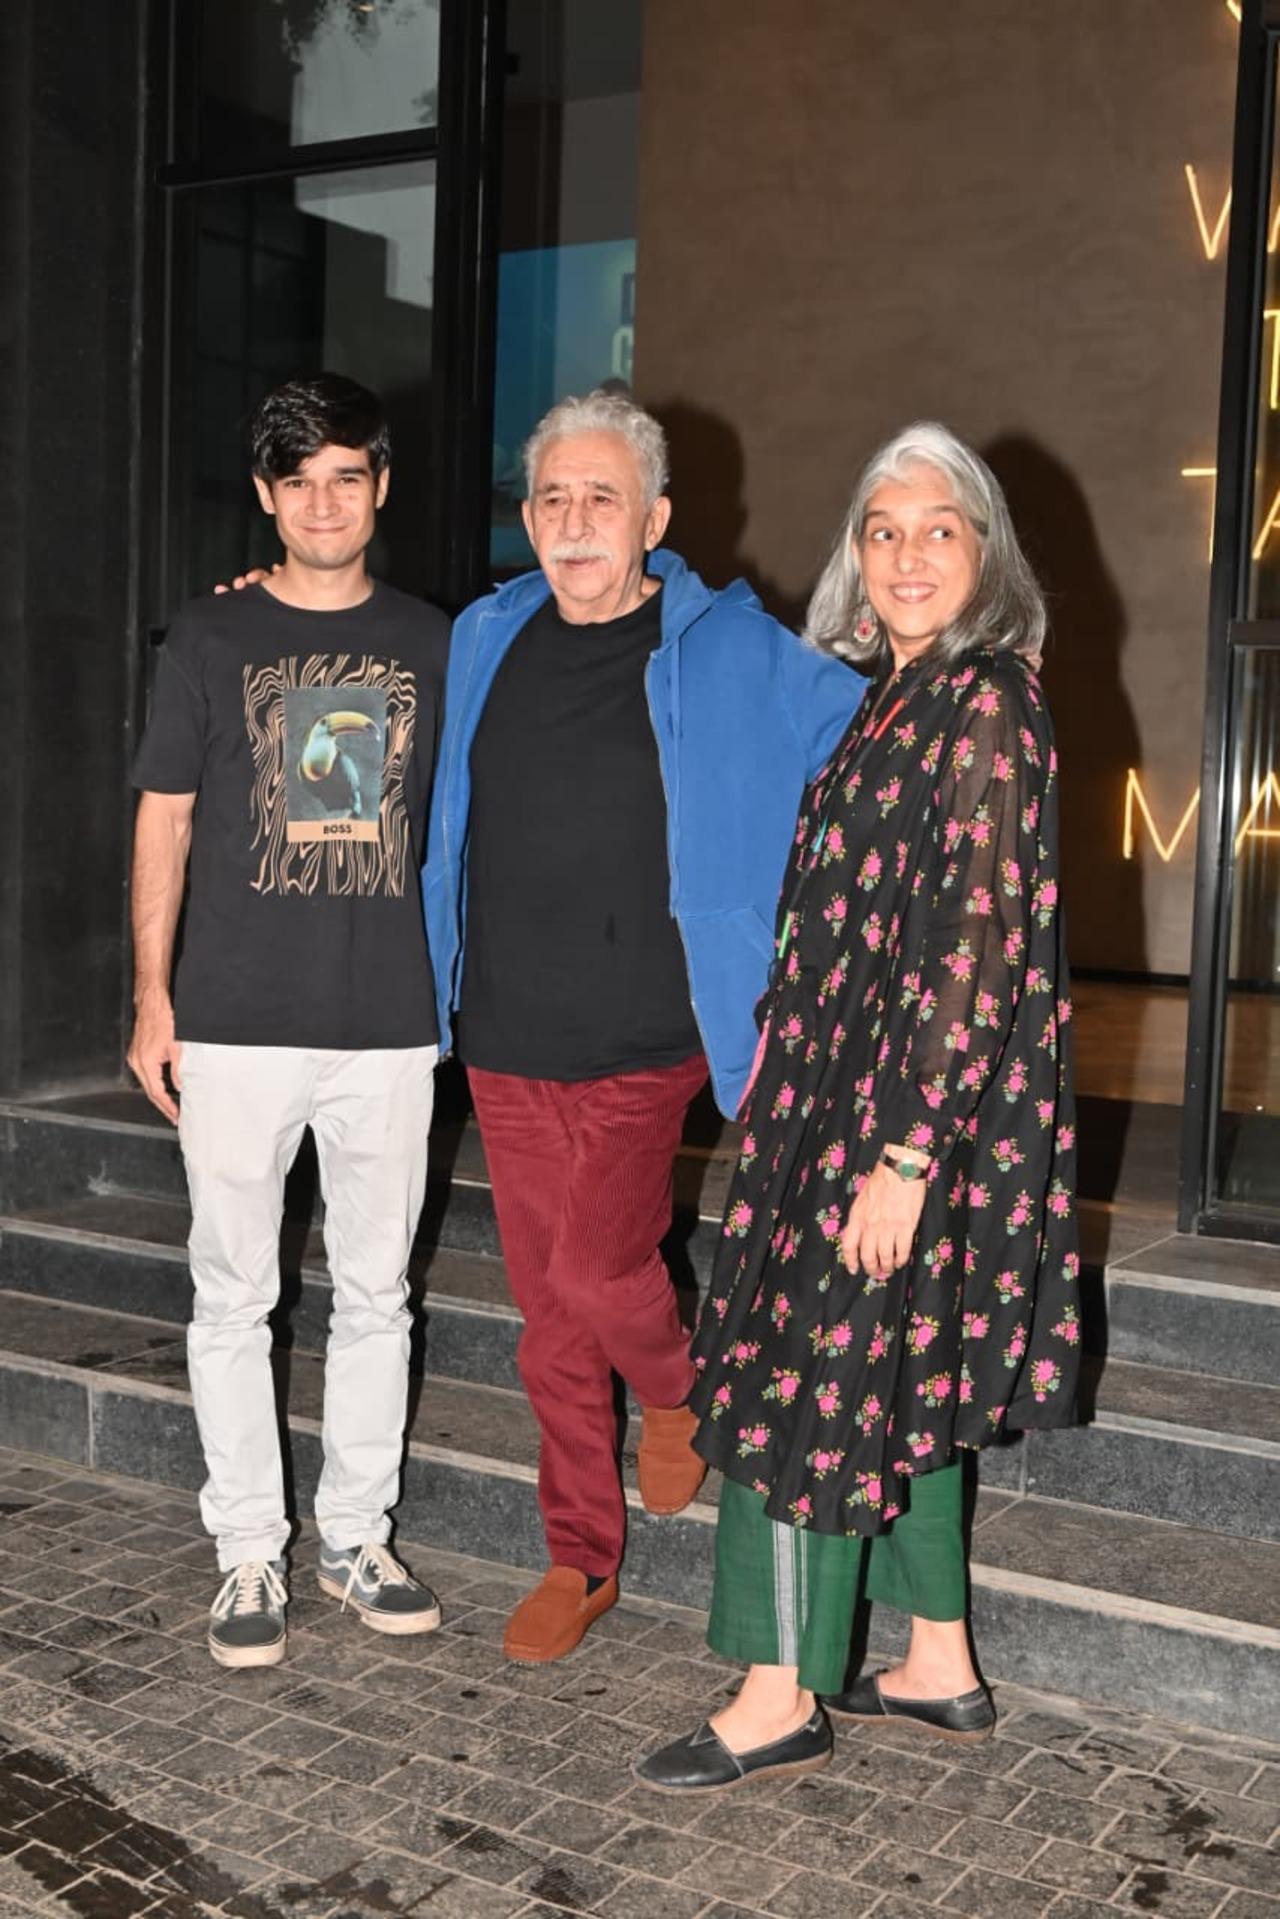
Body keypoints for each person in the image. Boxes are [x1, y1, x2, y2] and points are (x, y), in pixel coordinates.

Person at [636, 422, 1080, 1793]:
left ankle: (778, 1689)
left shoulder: (989, 702)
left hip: (895, 1115)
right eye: (881, 529)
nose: (905, 552)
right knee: (898, 1373)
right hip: (838, 1095)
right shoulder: (894, 696)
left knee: (798, 1374)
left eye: (937, 526)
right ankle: (937, 1654)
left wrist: (902, 1153)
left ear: (985, 549)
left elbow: (977, 937)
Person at [424, 389, 864, 1663]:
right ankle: (578, 1554)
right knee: (548, 1313)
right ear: (527, 516)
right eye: (551, 498)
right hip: (505, 1026)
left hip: (651, 1026)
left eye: (600, 497)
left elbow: (859, 728)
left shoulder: (725, 644)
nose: (572, 522)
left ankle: (677, 1389)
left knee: (591, 1271)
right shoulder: (484, 632)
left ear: (654, 517)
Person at [128, 373, 448, 1669]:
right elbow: (165, 813)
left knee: (379, 1293)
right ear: (265, 495)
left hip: (388, 1020)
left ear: (381, 484)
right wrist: (154, 993)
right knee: (233, 1292)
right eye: (298, 477)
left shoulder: (439, 640)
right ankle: (247, 1547)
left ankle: (356, 1532)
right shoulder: (207, 642)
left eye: (348, 474)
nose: (324, 500)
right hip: (237, 1019)